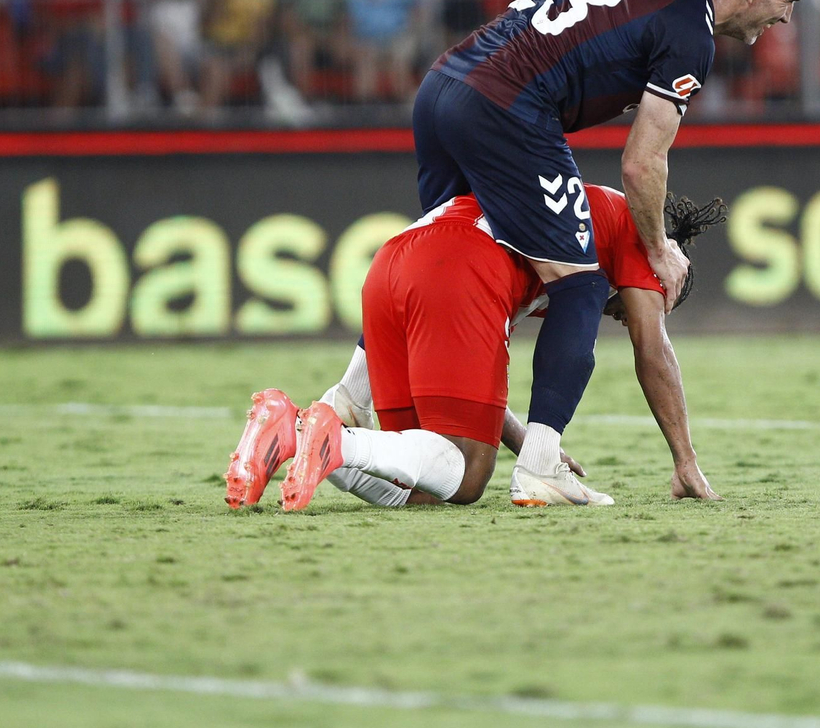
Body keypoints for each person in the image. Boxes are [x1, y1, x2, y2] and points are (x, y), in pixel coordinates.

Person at [412, 0, 812, 506]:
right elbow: (642, 164)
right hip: (508, 109)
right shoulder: (691, 33)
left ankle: (337, 412)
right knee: (580, 285)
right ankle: (540, 467)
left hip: (442, 88)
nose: (788, 18)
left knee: (444, 274)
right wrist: (658, 248)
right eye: (788, 1)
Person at [224, 187, 725, 510]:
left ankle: (292, 432)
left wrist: (524, 440)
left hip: (395, 262)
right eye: (646, 303)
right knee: (466, 476)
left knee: (422, 487)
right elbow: (653, 350)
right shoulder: (640, 240)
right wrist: (685, 460)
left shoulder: (569, 223)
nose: (624, 317)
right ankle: (340, 439)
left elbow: (474, 376)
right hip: (459, 268)